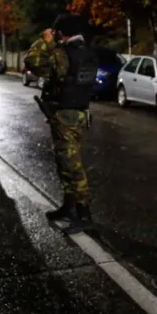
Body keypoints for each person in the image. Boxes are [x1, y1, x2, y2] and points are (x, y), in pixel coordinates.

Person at [24, 15, 99, 232]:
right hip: (76, 113)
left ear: (60, 32)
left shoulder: (63, 54)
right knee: (65, 162)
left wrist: (45, 42)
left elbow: (32, 62)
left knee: (72, 166)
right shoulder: (86, 52)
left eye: (55, 32)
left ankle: (84, 216)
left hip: (66, 116)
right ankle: (69, 207)